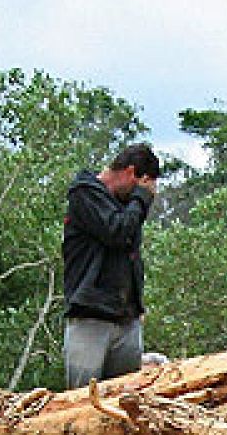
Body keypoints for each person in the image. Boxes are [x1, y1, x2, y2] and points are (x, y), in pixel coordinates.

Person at [62, 143, 162, 389]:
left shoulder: (124, 206)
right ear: (130, 173)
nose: (143, 194)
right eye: (142, 184)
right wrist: (141, 200)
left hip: (126, 319)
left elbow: (130, 252)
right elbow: (116, 232)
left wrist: (136, 304)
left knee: (125, 400)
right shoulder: (85, 194)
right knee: (83, 401)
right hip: (90, 317)